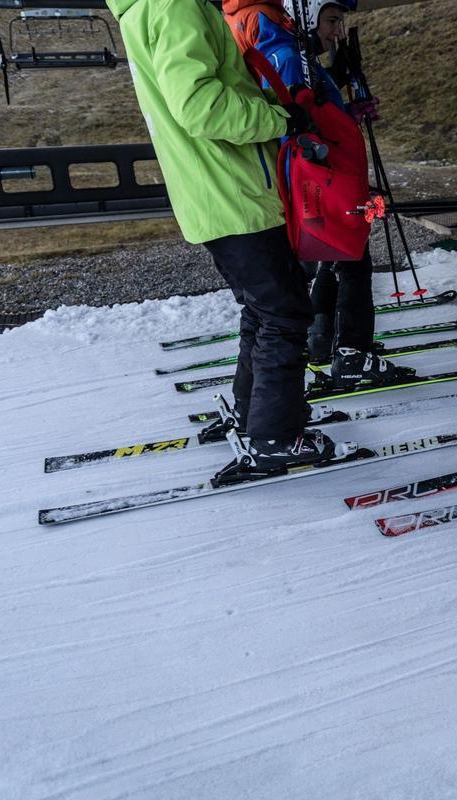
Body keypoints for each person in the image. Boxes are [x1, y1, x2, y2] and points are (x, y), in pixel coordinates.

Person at [107, 0, 343, 469]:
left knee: (265, 308)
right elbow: (199, 105)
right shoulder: (174, 6)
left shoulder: (150, 8)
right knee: (286, 312)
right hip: (235, 190)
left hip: (213, 190)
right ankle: (275, 438)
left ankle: (254, 415)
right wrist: (279, 120)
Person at [250, 0, 409, 390]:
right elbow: (291, 130)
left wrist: (347, 114)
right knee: (352, 258)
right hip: (316, 183)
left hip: (317, 180)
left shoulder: (294, 53)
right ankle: (351, 352)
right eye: (331, 20)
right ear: (306, 16)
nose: (337, 31)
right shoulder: (288, 56)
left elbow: (311, 114)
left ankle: (323, 337)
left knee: (334, 259)